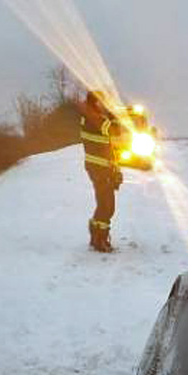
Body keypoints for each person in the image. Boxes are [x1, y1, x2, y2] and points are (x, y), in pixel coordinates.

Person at [79, 90, 123, 253]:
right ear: (96, 103)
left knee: (103, 204)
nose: (105, 105)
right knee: (107, 206)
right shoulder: (93, 118)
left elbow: (110, 144)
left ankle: (96, 236)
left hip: (101, 167)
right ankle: (100, 239)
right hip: (99, 168)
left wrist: (115, 169)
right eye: (102, 102)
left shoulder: (91, 116)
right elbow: (113, 130)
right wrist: (113, 114)